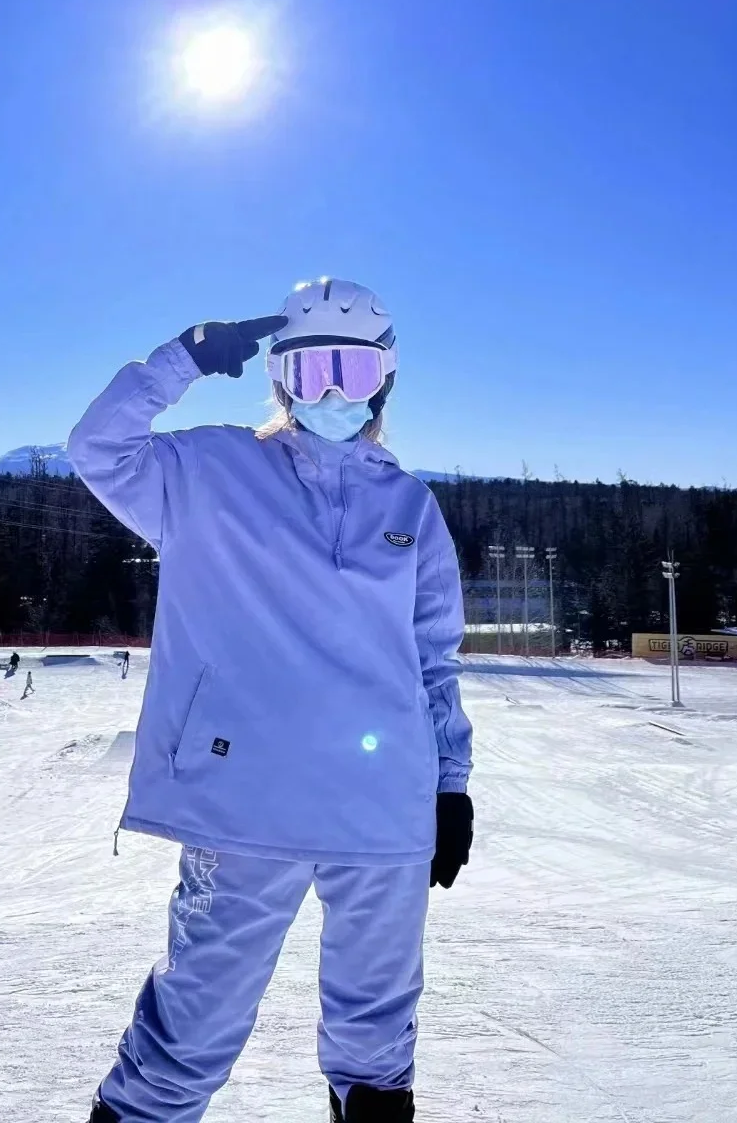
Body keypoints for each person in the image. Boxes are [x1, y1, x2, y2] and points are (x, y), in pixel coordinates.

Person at [68, 279, 473, 1123]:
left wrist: (450, 784)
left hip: (384, 808)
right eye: (313, 371)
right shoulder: (210, 471)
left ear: (386, 381)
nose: (332, 394)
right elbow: (100, 449)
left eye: (353, 372)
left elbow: (434, 659)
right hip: (245, 801)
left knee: (378, 1042)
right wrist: (181, 361)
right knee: (191, 1029)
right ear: (281, 379)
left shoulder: (409, 504)